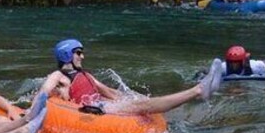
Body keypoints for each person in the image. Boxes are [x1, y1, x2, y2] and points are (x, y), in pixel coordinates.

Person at [39, 39, 223, 115]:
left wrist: (131, 97)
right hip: (90, 112)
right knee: (144, 106)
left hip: (100, 107)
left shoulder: (85, 75)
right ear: (66, 55)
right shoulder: (58, 76)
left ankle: (199, 90)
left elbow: (108, 91)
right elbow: (43, 93)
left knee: (144, 102)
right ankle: (199, 90)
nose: (82, 56)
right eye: (78, 52)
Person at [194, 45, 265, 79]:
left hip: (256, 65)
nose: (234, 65)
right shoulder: (223, 68)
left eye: (236, 62)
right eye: (231, 62)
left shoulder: (256, 66)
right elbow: (203, 71)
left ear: (242, 61)